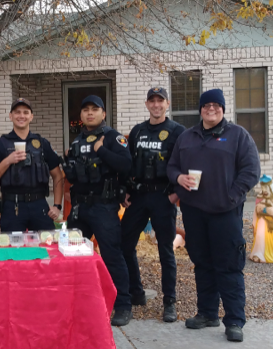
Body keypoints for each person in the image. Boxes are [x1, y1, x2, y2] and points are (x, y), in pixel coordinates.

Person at [167, 88, 260, 342]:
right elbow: (172, 166)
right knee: (203, 264)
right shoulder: (187, 137)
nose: (211, 109)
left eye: (216, 105)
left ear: (223, 108)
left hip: (225, 214)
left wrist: (232, 196)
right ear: (200, 109)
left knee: (228, 266)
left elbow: (251, 170)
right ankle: (207, 313)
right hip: (194, 212)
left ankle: (234, 321)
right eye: (206, 105)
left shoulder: (237, 135)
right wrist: (178, 178)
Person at [61, 95, 133, 326]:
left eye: (95, 109)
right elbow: (73, 175)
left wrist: (102, 151)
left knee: (112, 255)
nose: (89, 113)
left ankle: (123, 304)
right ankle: (78, 301)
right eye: (85, 110)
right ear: (80, 116)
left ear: (103, 113)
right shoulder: (76, 141)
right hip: (80, 207)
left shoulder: (113, 138)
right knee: (72, 254)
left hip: (104, 206)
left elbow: (126, 165)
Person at [120, 87, 186, 322]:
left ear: (167, 104)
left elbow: (184, 167)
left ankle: (169, 302)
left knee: (165, 250)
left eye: (161, 101)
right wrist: (125, 191)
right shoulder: (137, 131)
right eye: (152, 101)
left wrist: (176, 196)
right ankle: (135, 292)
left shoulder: (178, 132)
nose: (156, 105)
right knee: (125, 245)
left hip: (163, 197)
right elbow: (129, 165)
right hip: (138, 197)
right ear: (146, 104)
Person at [0, 98, 64, 231]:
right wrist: (8, 161)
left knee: (45, 246)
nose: (21, 116)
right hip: (12, 206)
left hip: (39, 204)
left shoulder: (42, 144)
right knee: (12, 249)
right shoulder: (1, 144)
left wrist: (57, 205)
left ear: (31, 117)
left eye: (26, 112)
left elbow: (57, 176)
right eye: (17, 112)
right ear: (10, 116)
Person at [250, 174, 273, 263]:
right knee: (260, 236)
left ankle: (272, 254)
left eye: (266, 187)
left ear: (270, 186)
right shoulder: (260, 197)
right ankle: (258, 254)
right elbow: (256, 211)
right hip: (262, 222)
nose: (264, 190)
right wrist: (259, 209)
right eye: (263, 187)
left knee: (270, 240)